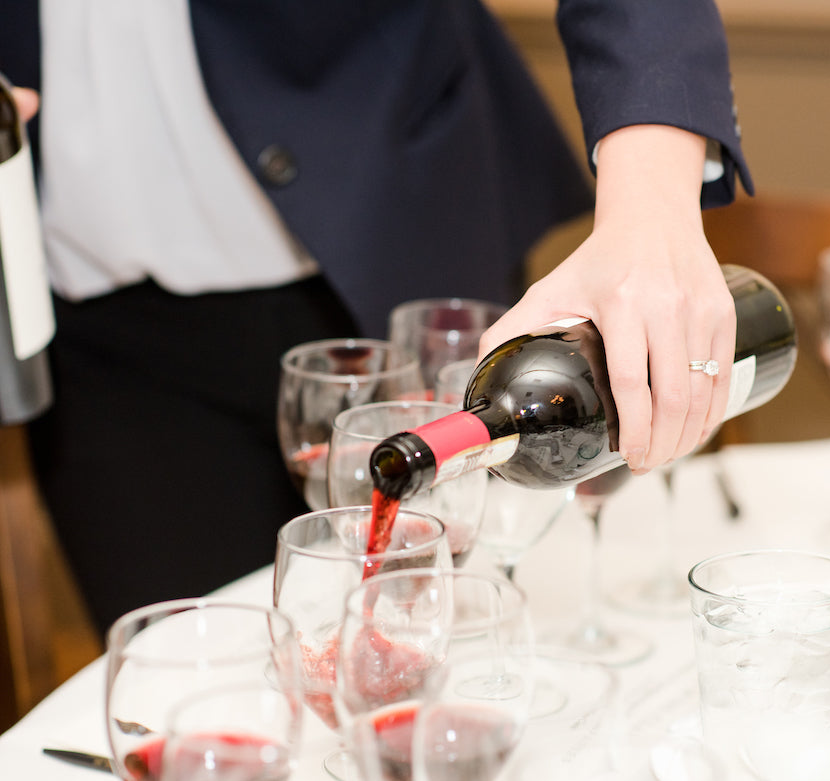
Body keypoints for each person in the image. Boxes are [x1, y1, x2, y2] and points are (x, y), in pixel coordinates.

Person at [2, 0, 752, 632]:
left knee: (458, 661)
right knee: (197, 707)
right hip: (104, 336)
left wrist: (650, 212)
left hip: (403, 266)